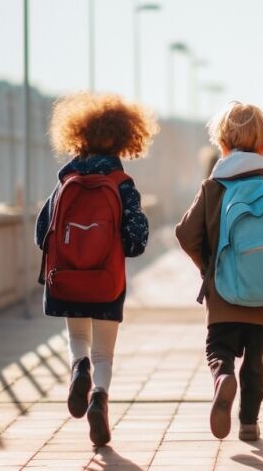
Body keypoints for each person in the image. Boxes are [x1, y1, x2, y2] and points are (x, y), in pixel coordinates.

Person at [175, 102, 263, 441]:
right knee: (255, 360)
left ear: (221, 145)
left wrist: (209, 267)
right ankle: (249, 423)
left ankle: (222, 377)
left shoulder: (212, 187)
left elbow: (185, 234)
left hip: (223, 296)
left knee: (218, 349)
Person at [35, 93, 157, 446]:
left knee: (78, 340)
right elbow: (136, 242)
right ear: (124, 138)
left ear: (77, 136)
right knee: (104, 352)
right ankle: (99, 398)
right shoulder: (122, 185)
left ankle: (78, 369)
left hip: (68, 280)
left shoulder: (64, 183)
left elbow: (42, 233)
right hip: (107, 281)